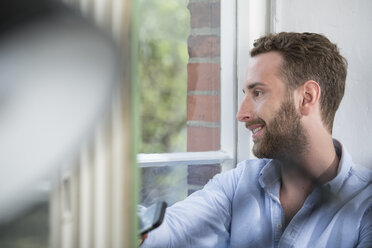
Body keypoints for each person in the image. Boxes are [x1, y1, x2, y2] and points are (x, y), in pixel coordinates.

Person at [140, 32, 372, 247]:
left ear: (306, 98)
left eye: (258, 93)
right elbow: (170, 230)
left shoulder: (365, 204)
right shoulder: (238, 184)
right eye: (246, 95)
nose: (241, 115)